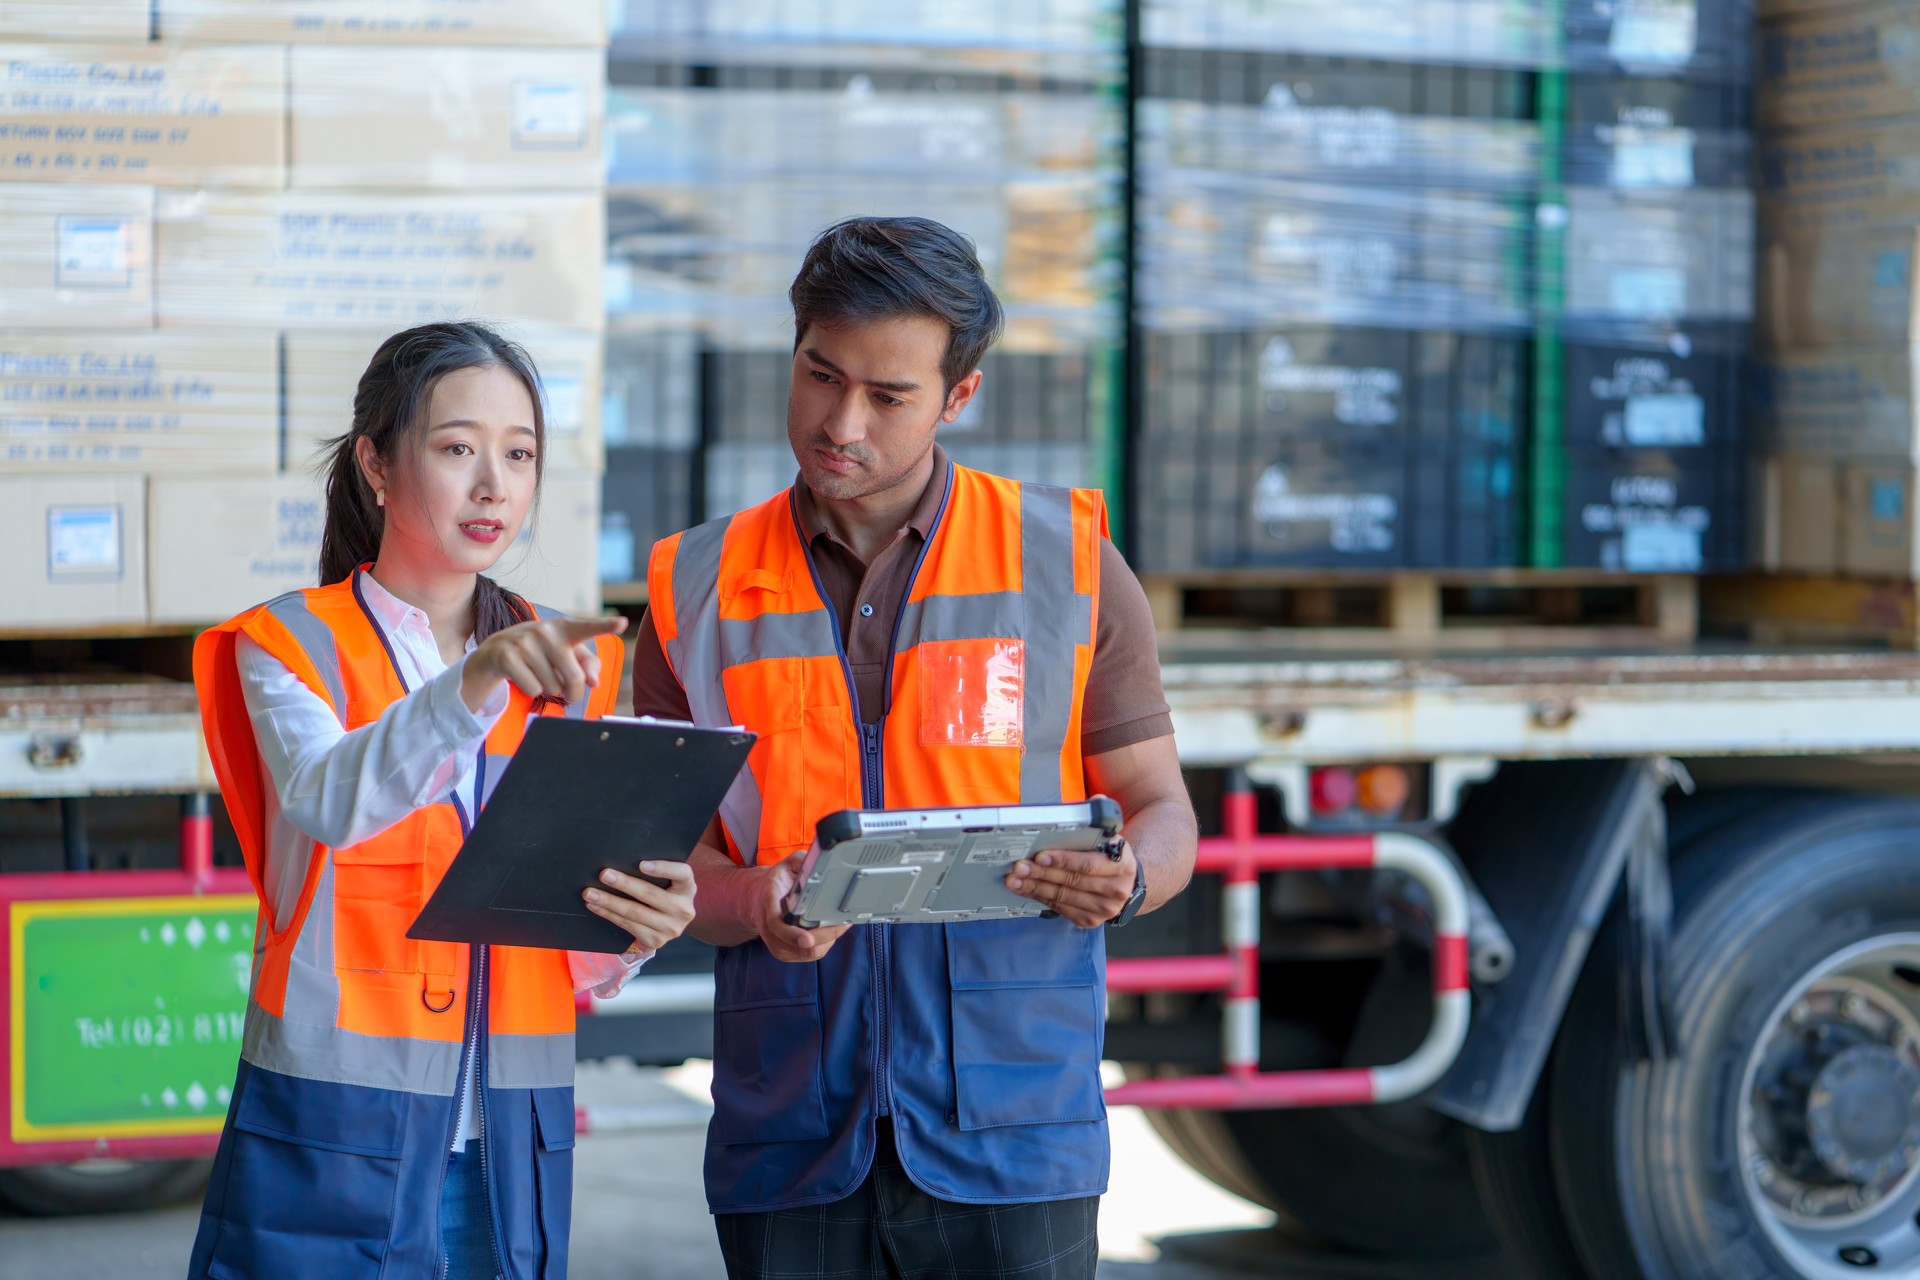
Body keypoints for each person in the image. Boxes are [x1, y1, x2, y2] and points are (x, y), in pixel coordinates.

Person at [631, 217, 1200, 1278]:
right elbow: (666, 868)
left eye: (889, 396)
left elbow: (1163, 810)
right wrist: (755, 900)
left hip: (1015, 1130)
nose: (841, 421)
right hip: (792, 1125)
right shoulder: (691, 587)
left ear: (960, 397)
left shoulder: (1069, 565)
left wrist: (1127, 877)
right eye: (820, 375)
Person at [186, 321, 696, 1280]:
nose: (494, 484)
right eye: (458, 449)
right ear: (377, 464)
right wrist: (473, 684)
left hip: (511, 1129)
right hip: (338, 1121)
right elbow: (332, 800)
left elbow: (554, 923)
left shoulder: (568, 662)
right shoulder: (291, 646)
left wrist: (637, 925)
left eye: (519, 454)